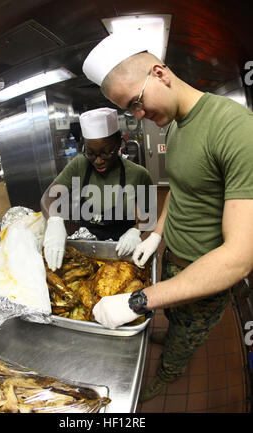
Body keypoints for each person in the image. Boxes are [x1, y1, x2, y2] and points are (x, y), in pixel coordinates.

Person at [82, 32, 253, 401]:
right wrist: (158, 234)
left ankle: (167, 372)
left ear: (160, 73)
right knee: (175, 319)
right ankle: (171, 331)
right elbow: (181, 185)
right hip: (172, 256)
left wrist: (137, 301)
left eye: (137, 103)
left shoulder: (235, 129)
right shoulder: (176, 125)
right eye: (131, 111)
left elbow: (239, 258)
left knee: (186, 336)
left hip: (206, 270)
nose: (140, 116)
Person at [41, 107, 154, 272]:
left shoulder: (138, 175)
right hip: (87, 254)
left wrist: (136, 231)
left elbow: (148, 218)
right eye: (91, 153)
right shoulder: (79, 165)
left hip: (122, 252)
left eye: (106, 153)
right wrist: (55, 221)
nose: (98, 161)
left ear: (119, 143)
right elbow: (47, 198)